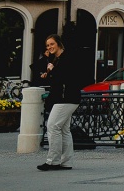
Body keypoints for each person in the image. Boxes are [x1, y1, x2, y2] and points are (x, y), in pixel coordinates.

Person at [37, 34, 81, 171]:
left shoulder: (67, 58)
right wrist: (48, 72)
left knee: (53, 126)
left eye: (52, 44)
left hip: (66, 97)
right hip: (66, 98)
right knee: (64, 129)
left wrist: (52, 71)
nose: (49, 47)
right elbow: (56, 79)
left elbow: (66, 77)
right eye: (47, 45)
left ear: (59, 44)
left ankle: (53, 161)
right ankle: (66, 162)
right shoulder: (56, 60)